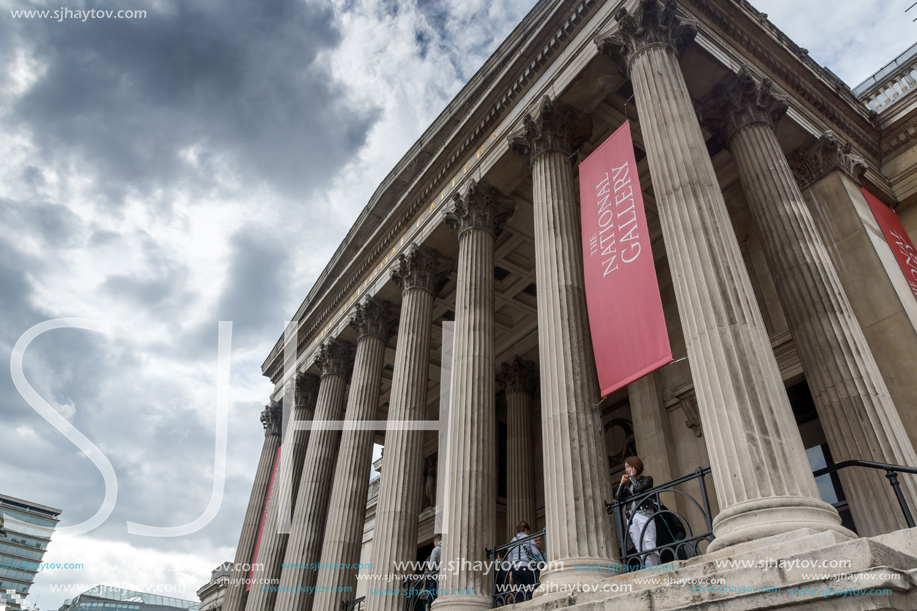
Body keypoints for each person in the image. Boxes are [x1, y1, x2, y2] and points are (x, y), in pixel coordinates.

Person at [615, 456, 658, 567]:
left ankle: (655, 568)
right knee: (640, 547)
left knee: (649, 543)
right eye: (625, 468)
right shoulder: (628, 485)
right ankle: (648, 569)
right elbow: (618, 497)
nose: (626, 470)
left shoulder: (647, 479)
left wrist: (633, 476)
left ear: (635, 466)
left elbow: (640, 488)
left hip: (644, 514)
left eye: (628, 467)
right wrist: (622, 483)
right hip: (632, 517)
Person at [506, 520, 539, 602]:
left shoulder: (513, 540)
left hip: (516, 569)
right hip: (526, 567)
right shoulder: (528, 538)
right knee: (530, 590)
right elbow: (536, 553)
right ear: (525, 530)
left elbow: (509, 559)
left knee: (519, 592)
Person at [424, 534, 441, 610]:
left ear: (435, 543)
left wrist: (427, 563)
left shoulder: (436, 549)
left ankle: (428, 605)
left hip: (438, 577)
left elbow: (431, 567)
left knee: (432, 585)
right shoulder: (448, 548)